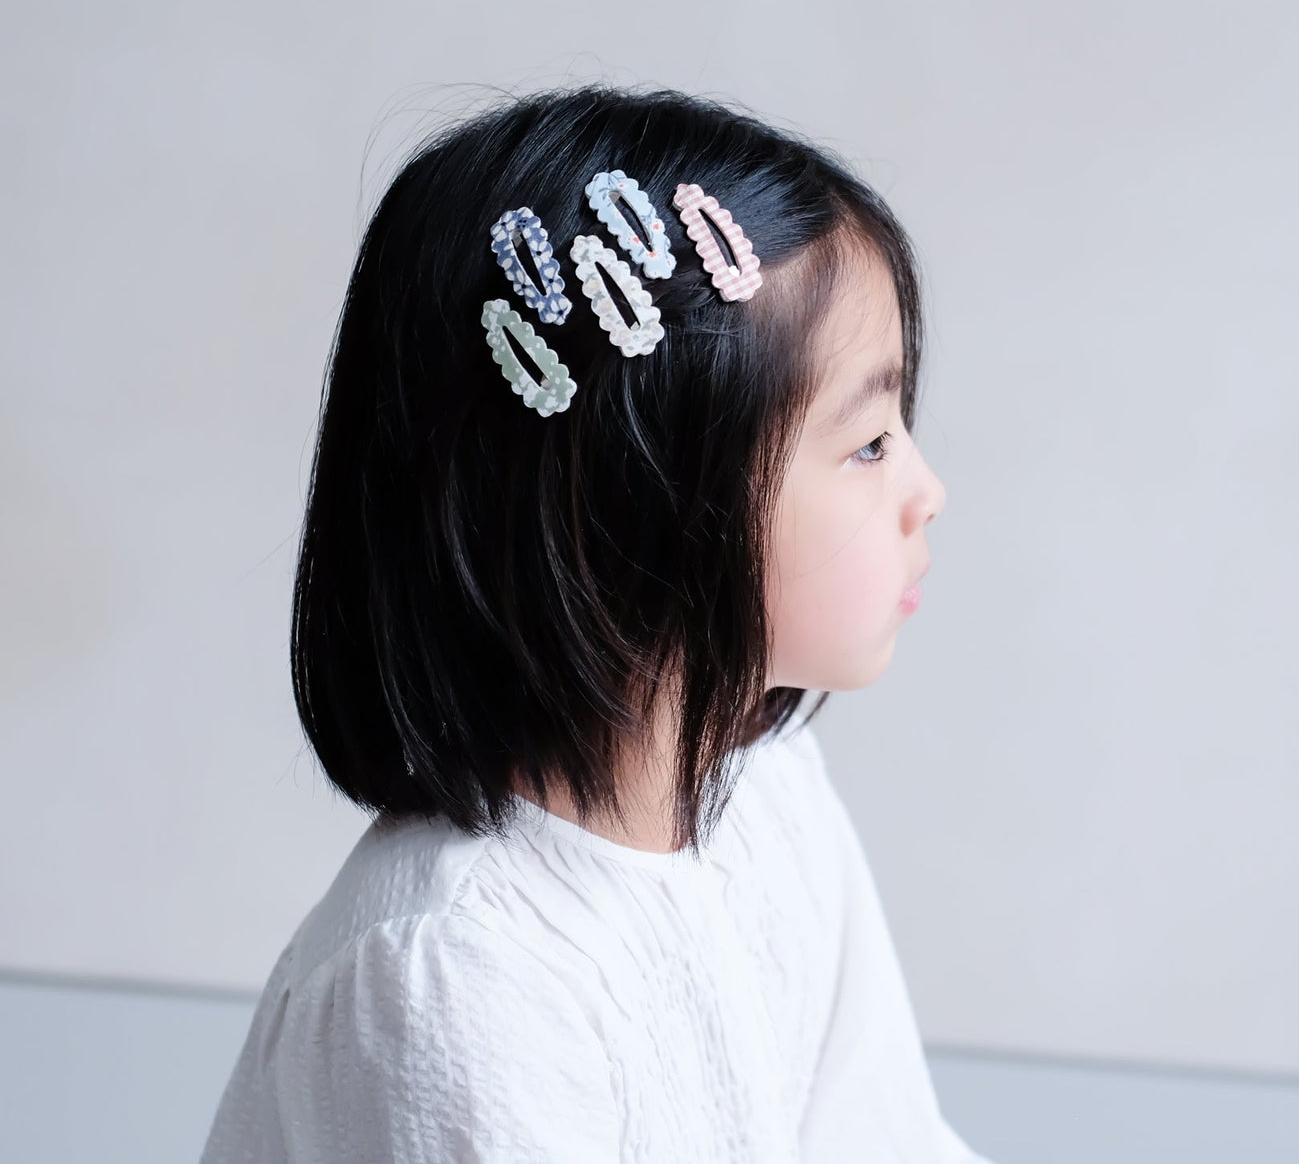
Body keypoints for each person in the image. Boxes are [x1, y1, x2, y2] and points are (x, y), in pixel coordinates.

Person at [198, 84, 996, 1163]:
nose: (925, 489)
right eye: (866, 443)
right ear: (644, 505)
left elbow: (883, 1140)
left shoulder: (765, 791)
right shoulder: (458, 976)